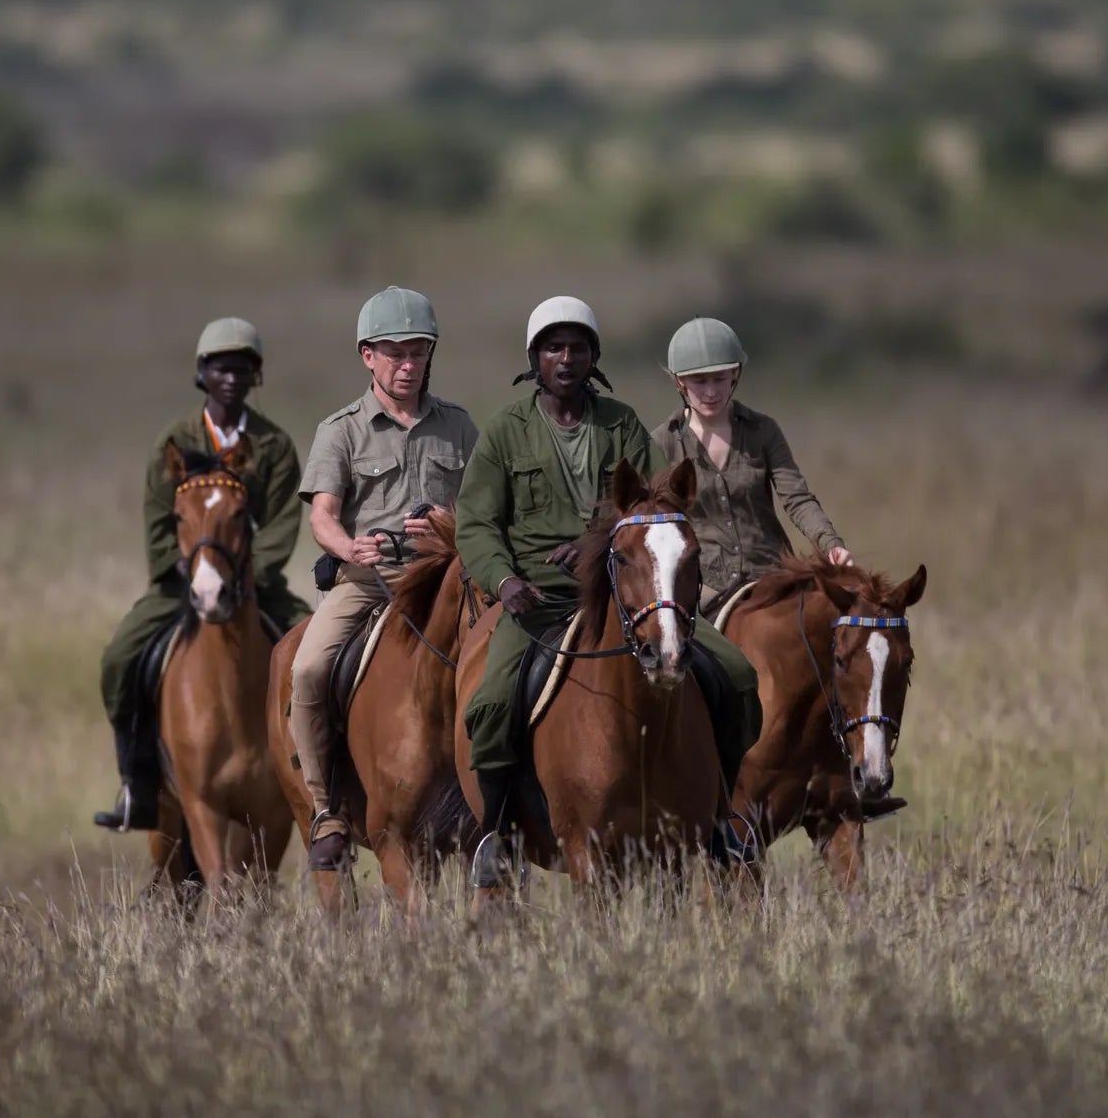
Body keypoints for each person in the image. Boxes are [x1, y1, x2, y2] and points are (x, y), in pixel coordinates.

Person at [454, 297, 763, 877]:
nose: (565, 358)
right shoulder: (503, 431)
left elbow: (656, 503)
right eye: (553, 347)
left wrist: (598, 540)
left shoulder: (620, 423)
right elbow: (475, 523)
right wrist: (505, 580)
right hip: (539, 600)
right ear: (534, 359)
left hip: (629, 591)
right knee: (492, 700)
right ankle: (494, 834)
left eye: (577, 347)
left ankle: (720, 815)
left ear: (595, 357)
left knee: (738, 678)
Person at [287, 287, 480, 870]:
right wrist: (350, 545)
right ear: (367, 355)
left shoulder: (459, 427)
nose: (407, 363)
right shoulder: (341, 430)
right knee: (307, 667)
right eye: (394, 352)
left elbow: (484, 510)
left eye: (418, 351)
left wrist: (453, 524)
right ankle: (325, 807)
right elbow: (322, 514)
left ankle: (505, 807)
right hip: (368, 581)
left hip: (445, 580)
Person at [93, 318, 306, 832]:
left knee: (317, 655)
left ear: (255, 376)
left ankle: (321, 787)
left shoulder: (274, 446)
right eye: (220, 368)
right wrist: (191, 573)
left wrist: (249, 574)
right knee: (121, 658)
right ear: (203, 374)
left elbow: (280, 523)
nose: (230, 378)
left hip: (256, 587)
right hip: (182, 584)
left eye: (241, 369)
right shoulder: (174, 440)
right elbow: (158, 520)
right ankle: (136, 783)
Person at [652, 317, 852, 614]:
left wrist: (830, 544)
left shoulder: (763, 430)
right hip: (704, 583)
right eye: (699, 381)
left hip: (772, 572)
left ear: (736, 374)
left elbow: (797, 499)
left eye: (720, 378)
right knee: (684, 648)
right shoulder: (662, 443)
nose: (711, 391)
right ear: (679, 381)